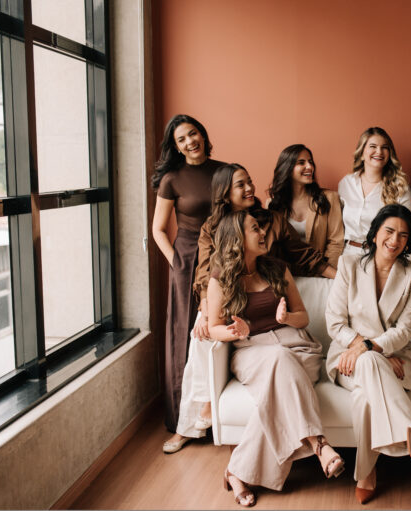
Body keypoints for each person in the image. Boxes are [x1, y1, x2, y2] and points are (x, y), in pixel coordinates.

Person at [162, 163, 332, 453]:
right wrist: (205, 307)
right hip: (228, 300)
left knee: (274, 362)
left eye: (250, 181)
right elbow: (205, 271)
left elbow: (302, 254)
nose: (250, 188)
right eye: (240, 184)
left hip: (267, 300)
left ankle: (244, 466)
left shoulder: (271, 220)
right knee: (200, 334)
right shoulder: (212, 227)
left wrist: (341, 276)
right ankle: (193, 420)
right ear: (224, 193)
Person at [206, 210, 345, 507]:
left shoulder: (278, 269)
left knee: (277, 389)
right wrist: (235, 331)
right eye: (255, 229)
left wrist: (286, 318)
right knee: (279, 359)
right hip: (251, 350)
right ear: (237, 238)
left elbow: (303, 316)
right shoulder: (220, 279)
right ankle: (319, 444)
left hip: (298, 347)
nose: (262, 233)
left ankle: (236, 471)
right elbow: (213, 327)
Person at [324, 204, 411, 504]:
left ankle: (366, 473)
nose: (395, 239)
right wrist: (369, 350)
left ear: (408, 242)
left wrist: (371, 349)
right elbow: (335, 322)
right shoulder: (349, 264)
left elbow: (405, 329)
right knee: (371, 364)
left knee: (364, 397)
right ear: (375, 234)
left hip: (396, 357)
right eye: (389, 231)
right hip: (348, 356)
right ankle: (410, 430)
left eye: (403, 235)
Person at [151, 114, 224, 434]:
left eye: (192, 134)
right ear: (176, 147)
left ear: (202, 134)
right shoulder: (172, 179)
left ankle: (215, 417)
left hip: (222, 256)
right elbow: (158, 229)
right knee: (184, 332)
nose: (189, 141)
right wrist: (177, 263)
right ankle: (183, 420)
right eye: (181, 139)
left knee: (218, 328)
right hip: (188, 258)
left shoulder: (225, 171)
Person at [266, 144, 344, 268]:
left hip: (321, 271)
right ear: (287, 167)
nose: (309, 167)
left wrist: (325, 272)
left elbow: (336, 242)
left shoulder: (329, 198)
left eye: (310, 162)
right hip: (287, 272)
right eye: (301, 163)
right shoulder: (273, 204)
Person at [338, 127, 411, 255]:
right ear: (362, 153)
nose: (379, 151)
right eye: (373, 146)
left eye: (384, 147)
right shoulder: (346, 184)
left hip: (382, 256)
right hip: (347, 255)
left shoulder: (400, 188)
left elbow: (409, 232)